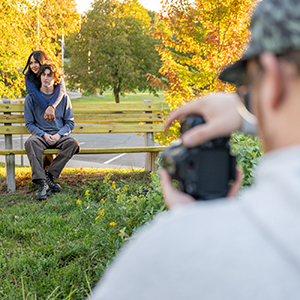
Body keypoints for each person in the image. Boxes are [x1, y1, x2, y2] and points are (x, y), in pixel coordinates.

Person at [89, 0, 300, 299]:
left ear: (273, 77)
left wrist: (193, 228)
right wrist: (248, 115)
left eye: (248, 87)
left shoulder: (171, 252)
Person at [24, 62, 80, 200]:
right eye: (43, 74)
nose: (46, 78)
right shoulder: (31, 98)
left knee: (73, 143)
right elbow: (29, 124)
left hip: (59, 135)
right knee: (30, 142)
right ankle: (42, 182)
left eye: (50, 75)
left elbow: (70, 123)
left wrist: (58, 134)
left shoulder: (64, 98)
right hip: (41, 136)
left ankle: (49, 174)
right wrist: (43, 134)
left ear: (56, 79)